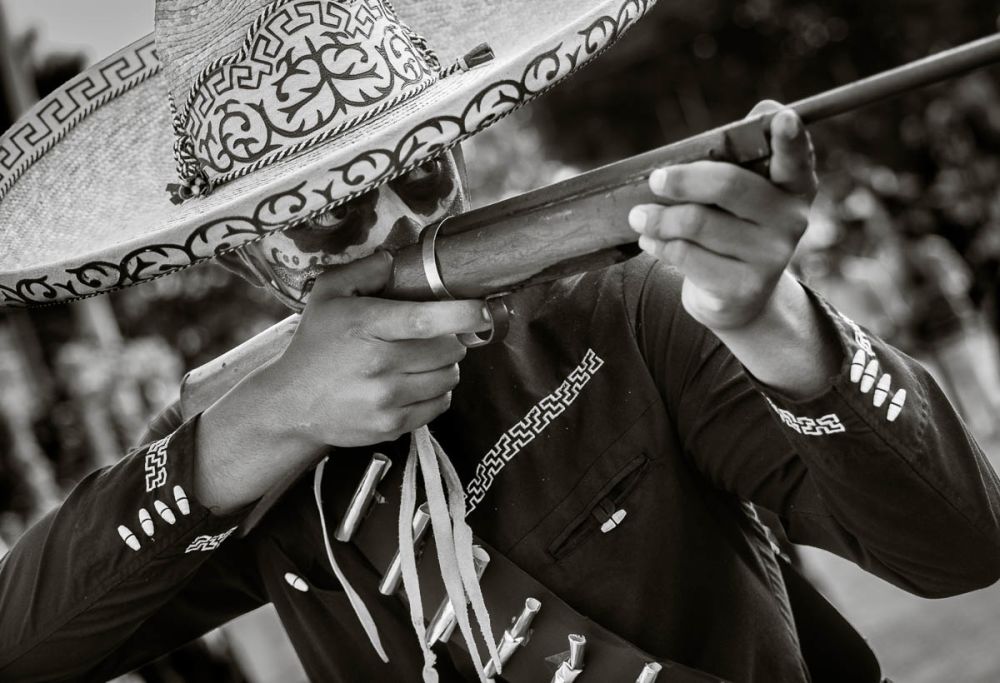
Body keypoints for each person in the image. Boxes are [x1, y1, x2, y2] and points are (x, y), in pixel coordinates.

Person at [1, 1, 999, 681]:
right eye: (334, 212)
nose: (401, 223)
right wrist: (267, 419)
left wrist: (767, 321)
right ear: (253, 262)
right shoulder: (242, 450)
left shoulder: (622, 309)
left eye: (424, 170)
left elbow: (958, 544)